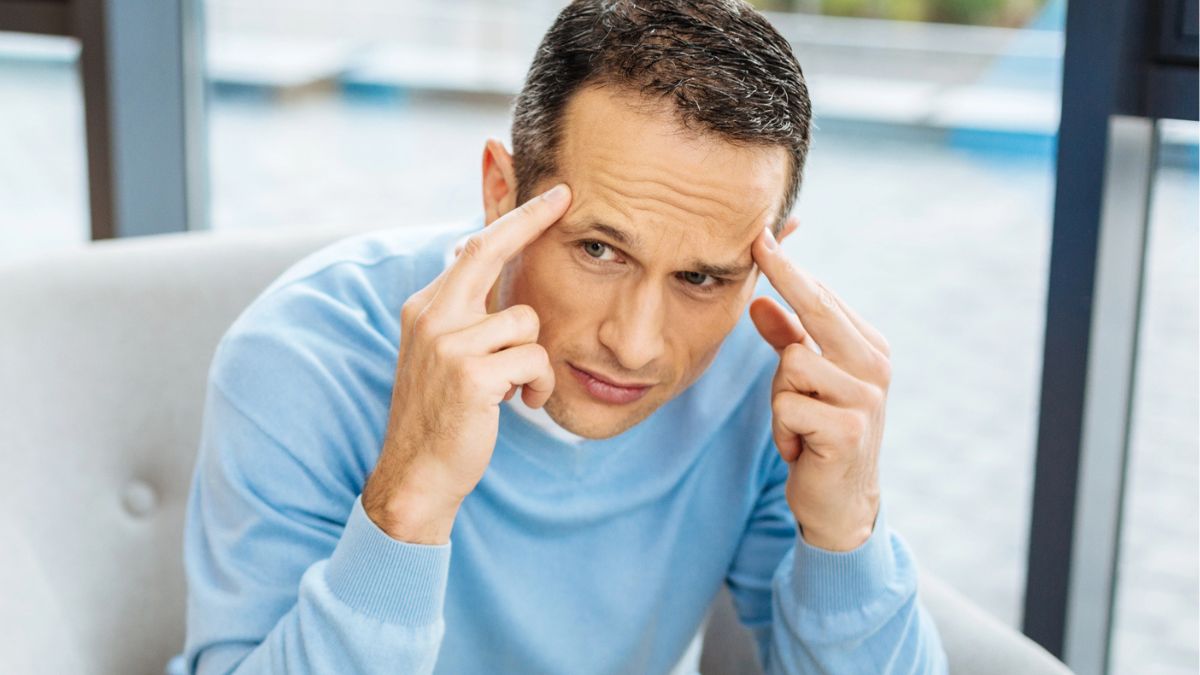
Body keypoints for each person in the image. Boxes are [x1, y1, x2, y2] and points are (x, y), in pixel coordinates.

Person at [175, 1, 948, 673]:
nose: (638, 345)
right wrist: (408, 504)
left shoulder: (767, 381)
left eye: (701, 278)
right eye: (600, 250)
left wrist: (847, 528)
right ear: (500, 191)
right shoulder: (302, 355)